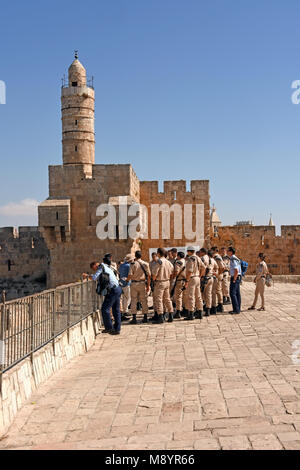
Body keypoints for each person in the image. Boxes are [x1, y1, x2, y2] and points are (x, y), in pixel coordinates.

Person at [83, 259, 122, 335]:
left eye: (94, 269)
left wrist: (87, 276)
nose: (95, 270)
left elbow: (94, 278)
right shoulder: (106, 266)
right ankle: (117, 329)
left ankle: (109, 328)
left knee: (105, 309)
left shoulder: (100, 267)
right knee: (116, 310)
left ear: (95, 266)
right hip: (117, 288)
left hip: (112, 291)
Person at [151, 248, 174, 323]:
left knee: (159, 299)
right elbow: (171, 272)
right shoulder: (168, 262)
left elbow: (154, 274)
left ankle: (160, 316)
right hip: (167, 281)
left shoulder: (159, 261)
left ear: (158, 253)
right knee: (167, 299)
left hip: (160, 282)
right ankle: (171, 315)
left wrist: (153, 280)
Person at [127, 250, 150, 324]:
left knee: (134, 300)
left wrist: (127, 280)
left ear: (135, 256)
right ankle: (145, 317)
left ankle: (134, 318)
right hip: (142, 283)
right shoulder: (145, 264)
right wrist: (148, 286)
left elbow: (130, 275)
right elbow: (149, 275)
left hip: (134, 284)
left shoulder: (132, 264)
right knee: (144, 300)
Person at [184, 247, 206, 320]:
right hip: (197, 277)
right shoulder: (198, 258)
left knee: (191, 296)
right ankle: (200, 311)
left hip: (192, 278)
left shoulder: (191, 259)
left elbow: (190, 271)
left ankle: (191, 313)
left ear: (189, 252)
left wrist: (186, 281)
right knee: (198, 295)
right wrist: (200, 275)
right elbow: (204, 267)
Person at [203, 250, 218, 316]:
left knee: (202, 294)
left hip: (205, 278)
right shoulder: (213, 260)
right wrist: (215, 272)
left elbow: (202, 267)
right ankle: (208, 309)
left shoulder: (204, 258)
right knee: (209, 294)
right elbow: (217, 267)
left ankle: (201, 309)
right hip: (211, 277)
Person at [211, 247, 226, 314]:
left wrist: (218, 274)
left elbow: (222, 267)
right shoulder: (217, 257)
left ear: (214, 251)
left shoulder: (217, 257)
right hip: (218, 275)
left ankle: (220, 305)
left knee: (217, 290)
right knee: (217, 290)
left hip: (218, 276)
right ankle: (219, 304)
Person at [228, 246, 242, 314]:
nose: (227, 252)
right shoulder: (236, 258)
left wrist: (234, 279)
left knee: (232, 293)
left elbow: (236, 269)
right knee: (237, 294)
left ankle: (236, 310)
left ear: (231, 251)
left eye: (228, 251)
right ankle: (238, 308)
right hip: (238, 277)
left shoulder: (232, 259)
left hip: (235, 277)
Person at [173, 251, 186, 318]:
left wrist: (173, 277)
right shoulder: (185, 261)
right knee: (184, 296)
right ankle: (185, 309)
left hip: (179, 280)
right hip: (185, 280)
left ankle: (178, 311)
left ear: (178, 256)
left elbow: (176, 272)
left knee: (178, 297)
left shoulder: (178, 262)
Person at [119, 254, 132, 321]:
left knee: (123, 298)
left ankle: (123, 311)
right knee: (127, 298)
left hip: (121, 283)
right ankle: (125, 311)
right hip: (127, 283)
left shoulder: (121, 265)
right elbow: (130, 274)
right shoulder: (129, 266)